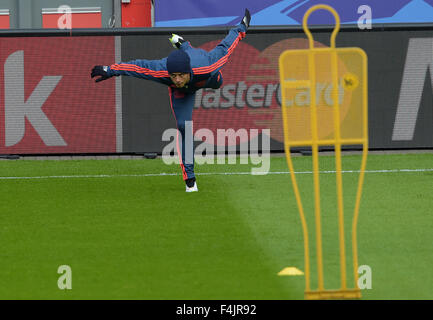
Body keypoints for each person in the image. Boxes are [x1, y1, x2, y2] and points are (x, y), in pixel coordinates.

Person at [91, 9, 251, 192]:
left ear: (187, 73)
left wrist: (242, 27)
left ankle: (185, 46)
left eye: (180, 75)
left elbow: (226, 46)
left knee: (219, 81)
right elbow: (137, 67)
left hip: (205, 78)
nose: (177, 79)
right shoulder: (163, 72)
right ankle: (190, 180)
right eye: (173, 76)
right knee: (184, 127)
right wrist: (110, 70)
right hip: (182, 93)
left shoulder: (208, 65)